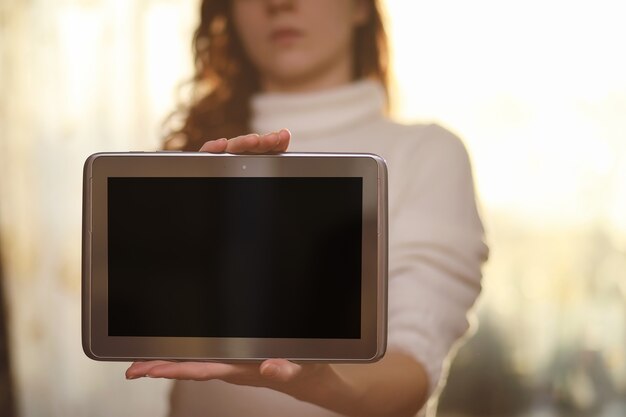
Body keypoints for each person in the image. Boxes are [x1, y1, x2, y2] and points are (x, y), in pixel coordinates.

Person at [125, 0, 489, 416]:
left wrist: (317, 379)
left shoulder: (426, 154)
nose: (279, 4)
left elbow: (413, 364)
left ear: (359, 8)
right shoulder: (190, 161)